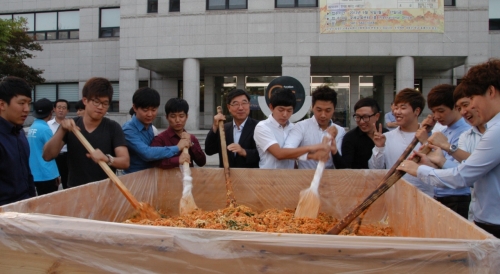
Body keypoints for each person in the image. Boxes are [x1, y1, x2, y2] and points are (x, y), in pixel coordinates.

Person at [398, 59, 500, 238]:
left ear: (490, 92)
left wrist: (419, 170)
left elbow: (462, 176)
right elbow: (474, 168)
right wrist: (438, 162)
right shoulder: (489, 130)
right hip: (484, 216)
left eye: (471, 100)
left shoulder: (496, 131)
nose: (471, 108)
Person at [43, 77, 130, 188]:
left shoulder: (113, 127)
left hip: (105, 191)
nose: (100, 107)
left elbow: (125, 162)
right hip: (76, 191)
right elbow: (47, 155)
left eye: (105, 103)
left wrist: (107, 159)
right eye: (96, 102)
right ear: (85, 100)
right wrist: (62, 130)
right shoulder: (71, 126)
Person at [415, 84, 471, 219]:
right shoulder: (443, 131)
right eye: (434, 112)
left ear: (456, 107)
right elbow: (435, 161)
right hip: (441, 193)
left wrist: (425, 142)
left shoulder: (466, 132)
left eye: (441, 111)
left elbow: (461, 170)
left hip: (457, 196)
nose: (437, 116)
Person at [369, 88, 434, 196]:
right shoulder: (386, 137)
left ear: (416, 111)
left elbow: (437, 168)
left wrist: (425, 142)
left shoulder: (430, 137)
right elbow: (375, 169)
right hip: (395, 197)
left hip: (424, 197)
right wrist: (379, 148)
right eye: (396, 107)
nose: (397, 112)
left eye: (403, 108)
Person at [254, 88, 330, 169]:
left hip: (289, 178)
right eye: (281, 110)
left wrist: (312, 156)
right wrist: (312, 148)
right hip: (267, 177)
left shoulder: (294, 128)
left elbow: (293, 154)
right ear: (271, 107)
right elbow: (279, 154)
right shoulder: (262, 127)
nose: (285, 114)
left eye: (289, 110)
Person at [122, 87, 189, 174]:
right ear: (135, 108)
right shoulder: (128, 129)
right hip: (134, 179)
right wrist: (177, 147)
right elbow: (148, 153)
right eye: (145, 110)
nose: (150, 114)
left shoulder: (151, 127)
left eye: (153, 110)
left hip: (151, 178)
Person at [284, 85, 345, 169]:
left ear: (334, 109)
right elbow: (287, 151)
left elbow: (341, 165)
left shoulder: (340, 131)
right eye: (319, 110)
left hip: (330, 179)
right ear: (312, 107)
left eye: (328, 110)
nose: (323, 115)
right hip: (304, 178)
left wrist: (334, 151)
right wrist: (311, 155)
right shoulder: (301, 126)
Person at [0, 76, 36, 205]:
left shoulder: (19, 132)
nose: (26, 109)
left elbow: (27, 173)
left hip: (25, 207)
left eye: (29, 103)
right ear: (2, 104)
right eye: (21, 103)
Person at [205, 89, 260, 168]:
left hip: (250, 177)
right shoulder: (223, 129)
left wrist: (244, 152)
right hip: (227, 177)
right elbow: (209, 150)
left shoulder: (259, 127)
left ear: (249, 105)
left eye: (244, 103)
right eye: (236, 104)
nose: (241, 108)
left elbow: (265, 154)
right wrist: (215, 126)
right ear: (229, 107)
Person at [151, 98, 206, 168]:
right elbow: (155, 163)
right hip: (167, 178)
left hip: (187, 178)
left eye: (181, 116)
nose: (177, 120)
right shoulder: (160, 139)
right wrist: (177, 160)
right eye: (173, 116)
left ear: (187, 117)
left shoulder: (192, 138)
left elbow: (202, 162)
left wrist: (191, 144)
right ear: (167, 117)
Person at [334, 97, 388, 169]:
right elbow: (345, 167)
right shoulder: (350, 138)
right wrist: (334, 152)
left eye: (366, 117)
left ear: (377, 116)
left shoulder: (387, 135)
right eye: (358, 117)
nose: (361, 121)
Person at [28, 98, 60, 195]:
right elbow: (52, 151)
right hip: (47, 173)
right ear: (51, 112)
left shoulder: (32, 127)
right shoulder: (45, 129)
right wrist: (57, 174)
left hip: (35, 172)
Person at [48, 99, 69, 189]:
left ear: (67, 111)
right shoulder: (48, 125)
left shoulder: (71, 125)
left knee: (67, 182)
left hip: (67, 157)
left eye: (64, 108)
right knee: (53, 184)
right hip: (53, 157)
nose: (61, 110)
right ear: (54, 109)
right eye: (59, 107)